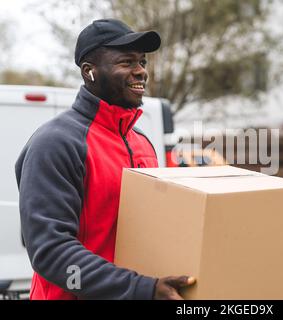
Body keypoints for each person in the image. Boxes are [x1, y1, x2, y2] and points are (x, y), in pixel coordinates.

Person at [15, 19, 195, 300]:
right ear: (90, 72)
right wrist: (140, 289)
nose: (140, 72)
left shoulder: (143, 143)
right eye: (126, 62)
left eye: (142, 63)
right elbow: (49, 251)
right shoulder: (55, 143)